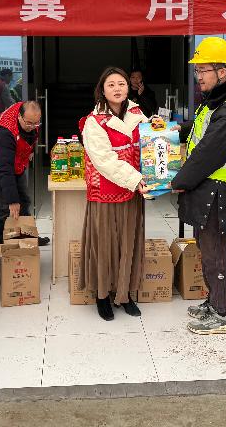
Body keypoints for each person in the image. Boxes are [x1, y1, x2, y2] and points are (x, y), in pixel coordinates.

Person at [171, 37, 226, 335]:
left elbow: (207, 154)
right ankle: (212, 300)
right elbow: (199, 135)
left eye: (203, 70)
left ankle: (220, 314)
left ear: (222, 71)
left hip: (219, 190)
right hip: (208, 188)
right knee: (206, 248)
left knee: (215, 251)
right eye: (197, 70)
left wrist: (177, 182)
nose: (199, 76)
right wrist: (175, 130)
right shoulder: (215, 103)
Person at [79, 67, 148, 321]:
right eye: (111, 84)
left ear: (128, 87)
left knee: (128, 243)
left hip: (132, 190)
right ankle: (101, 295)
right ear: (102, 90)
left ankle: (125, 293)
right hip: (105, 191)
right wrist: (135, 179)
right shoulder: (94, 121)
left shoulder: (137, 114)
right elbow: (104, 161)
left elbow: (150, 144)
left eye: (121, 83)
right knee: (104, 244)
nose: (117, 88)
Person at [0, 100, 50, 246]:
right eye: (29, 123)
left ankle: (28, 236)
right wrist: (12, 200)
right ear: (19, 116)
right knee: (4, 207)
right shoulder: (5, 132)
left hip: (17, 160)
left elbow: (31, 134)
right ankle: (2, 245)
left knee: (24, 200)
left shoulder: (30, 119)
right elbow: (5, 169)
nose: (32, 127)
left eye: (36, 124)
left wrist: (29, 150)